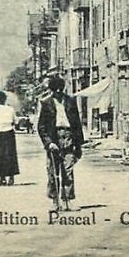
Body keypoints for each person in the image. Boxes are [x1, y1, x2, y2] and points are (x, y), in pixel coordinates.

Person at [38, 76, 84, 211]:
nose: (58, 93)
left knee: (68, 170)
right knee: (53, 171)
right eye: (55, 90)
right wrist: (48, 143)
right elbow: (41, 127)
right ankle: (54, 201)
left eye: (60, 90)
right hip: (54, 138)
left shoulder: (70, 101)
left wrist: (78, 144)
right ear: (52, 90)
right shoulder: (46, 103)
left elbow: (77, 124)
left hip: (68, 136)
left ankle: (68, 200)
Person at [0, 91, 20, 185]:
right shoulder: (10, 109)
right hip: (9, 133)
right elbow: (16, 121)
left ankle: (2, 178)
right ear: (5, 99)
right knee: (10, 155)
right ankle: (11, 177)